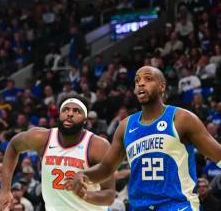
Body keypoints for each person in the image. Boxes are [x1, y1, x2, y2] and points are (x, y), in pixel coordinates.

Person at [66, 66, 221, 211]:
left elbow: (218, 154)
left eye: (148, 79)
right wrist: (84, 175)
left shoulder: (181, 119)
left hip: (178, 205)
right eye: (137, 80)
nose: (141, 83)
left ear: (162, 86)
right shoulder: (125, 126)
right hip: (140, 206)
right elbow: (106, 167)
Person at [0, 95, 115, 211]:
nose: (70, 113)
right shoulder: (41, 138)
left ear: (85, 120)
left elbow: (109, 195)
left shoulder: (98, 146)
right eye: (65, 110)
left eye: (76, 111)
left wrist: (85, 195)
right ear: (59, 115)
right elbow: (13, 146)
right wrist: (5, 190)